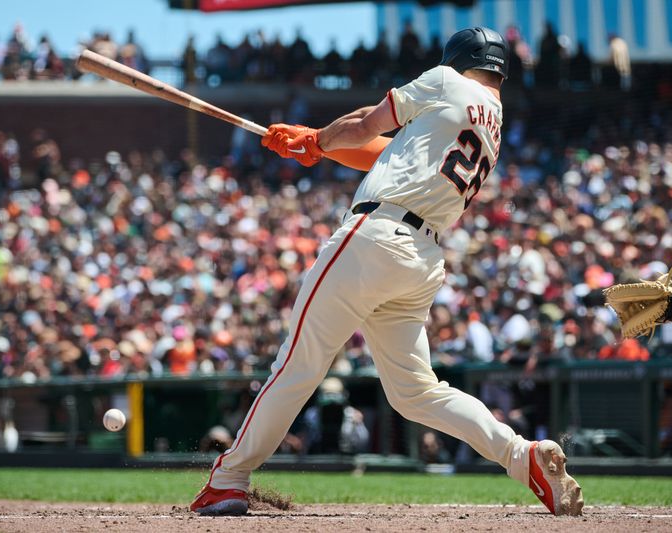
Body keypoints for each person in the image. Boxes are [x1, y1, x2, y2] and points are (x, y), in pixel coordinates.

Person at [189, 27, 583, 517]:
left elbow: (363, 123)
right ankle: (519, 455)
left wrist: (316, 136)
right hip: (420, 258)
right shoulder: (492, 120)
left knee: (297, 363)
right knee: (417, 392)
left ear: (457, 58)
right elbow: (379, 151)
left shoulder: (445, 80)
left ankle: (229, 478)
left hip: (375, 237)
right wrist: (315, 147)